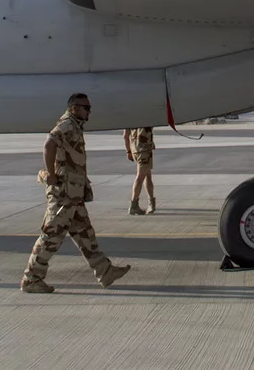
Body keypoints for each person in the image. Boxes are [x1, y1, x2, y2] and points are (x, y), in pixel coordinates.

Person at [21, 92, 131, 294]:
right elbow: (49, 144)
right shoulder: (66, 125)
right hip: (64, 194)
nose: (89, 112)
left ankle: (105, 271)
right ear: (74, 108)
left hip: (74, 194)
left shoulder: (74, 126)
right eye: (86, 108)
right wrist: (51, 174)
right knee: (51, 236)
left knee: (85, 234)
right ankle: (31, 279)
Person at [124, 125, 157, 215]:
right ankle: (133, 205)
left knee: (147, 176)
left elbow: (125, 135)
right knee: (140, 177)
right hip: (144, 149)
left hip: (136, 149)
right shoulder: (146, 117)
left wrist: (128, 151)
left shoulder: (129, 118)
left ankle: (151, 203)